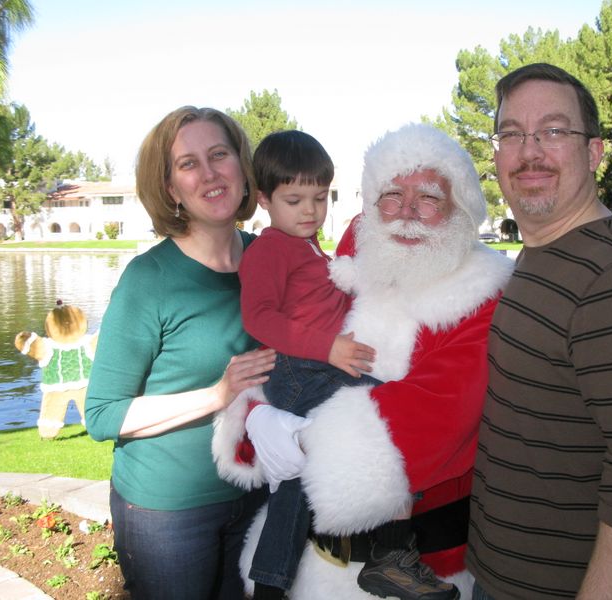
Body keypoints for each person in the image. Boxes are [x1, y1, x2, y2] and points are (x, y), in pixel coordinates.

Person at [213, 123, 515, 600]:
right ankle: (272, 580)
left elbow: (441, 412)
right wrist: (256, 418)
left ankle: (389, 558)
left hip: (425, 563)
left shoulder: (482, 294)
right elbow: (287, 340)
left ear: (461, 207)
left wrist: (309, 436)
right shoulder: (357, 255)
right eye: (392, 194)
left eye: (430, 198)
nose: (408, 212)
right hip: (311, 563)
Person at [466, 63, 612, 599]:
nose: (529, 151)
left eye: (553, 131)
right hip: (501, 577)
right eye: (512, 134)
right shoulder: (544, 252)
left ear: (593, 153)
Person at [85, 106, 276, 600]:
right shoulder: (149, 281)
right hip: (167, 515)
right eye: (188, 164)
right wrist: (218, 393)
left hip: (259, 494)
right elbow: (103, 415)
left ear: (241, 165)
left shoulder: (272, 260)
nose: (210, 173)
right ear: (171, 188)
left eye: (219, 155)